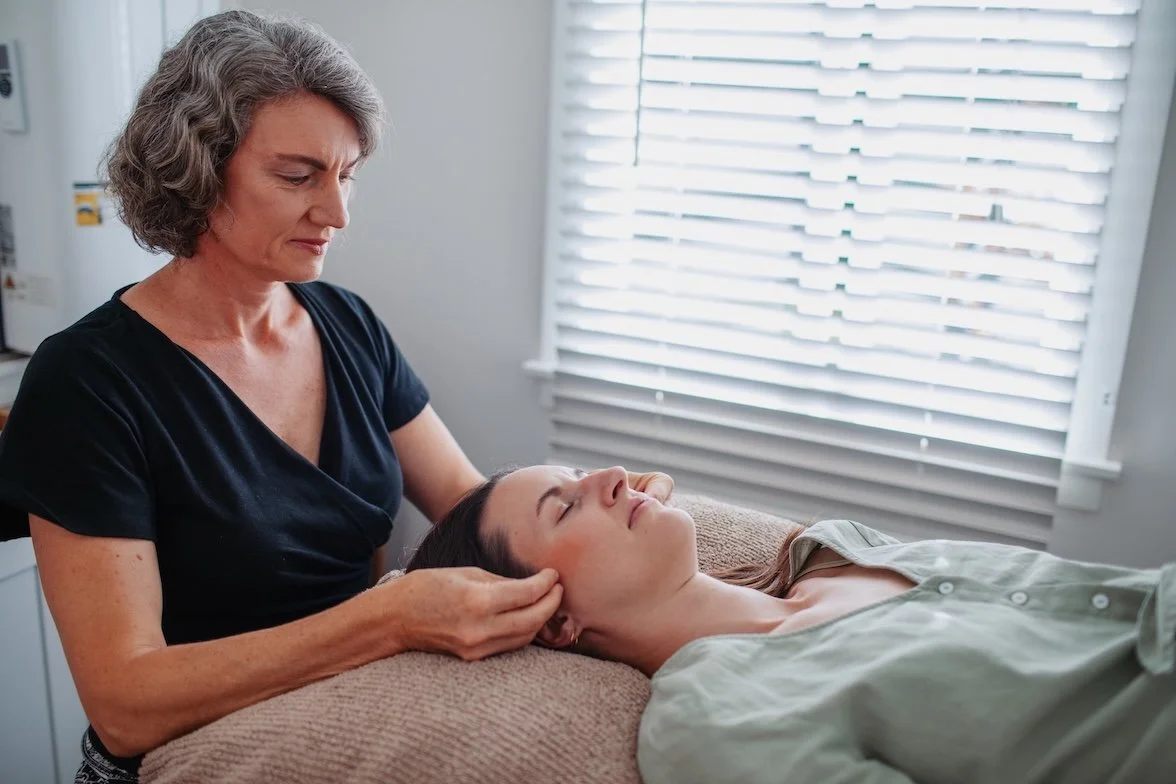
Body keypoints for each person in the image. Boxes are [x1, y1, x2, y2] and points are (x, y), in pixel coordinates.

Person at [0, 11, 671, 784]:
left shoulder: (346, 325)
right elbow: (124, 703)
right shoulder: (87, 385)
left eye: (346, 174)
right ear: (195, 167)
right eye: (297, 177)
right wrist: (385, 619)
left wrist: (601, 512)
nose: (338, 213)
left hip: (345, 724)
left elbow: (471, 509)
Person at [405, 464, 1176, 784]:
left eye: (579, 473)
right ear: (555, 620)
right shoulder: (720, 721)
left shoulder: (828, 553)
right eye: (564, 505)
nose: (608, 476)